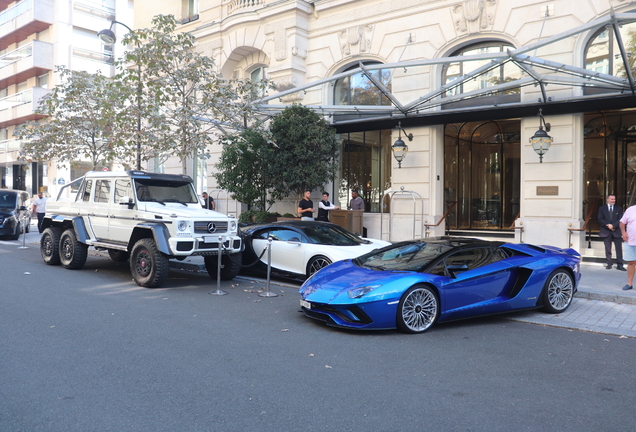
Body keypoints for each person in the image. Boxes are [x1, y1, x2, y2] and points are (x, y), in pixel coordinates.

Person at [598, 194, 625, 270]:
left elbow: (621, 219)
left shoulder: (619, 208)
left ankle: (620, 265)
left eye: (614, 199)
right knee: (608, 248)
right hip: (606, 231)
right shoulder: (602, 208)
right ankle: (609, 263)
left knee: (619, 249)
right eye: (612, 199)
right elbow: (600, 219)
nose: (613, 200)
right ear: (607, 199)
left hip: (616, 231)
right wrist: (608, 225)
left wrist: (613, 225)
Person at [620, 204, 636, 290]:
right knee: (631, 263)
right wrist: (623, 233)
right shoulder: (630, 209)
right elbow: (622, 223)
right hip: (631, 241)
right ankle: (629, 283)